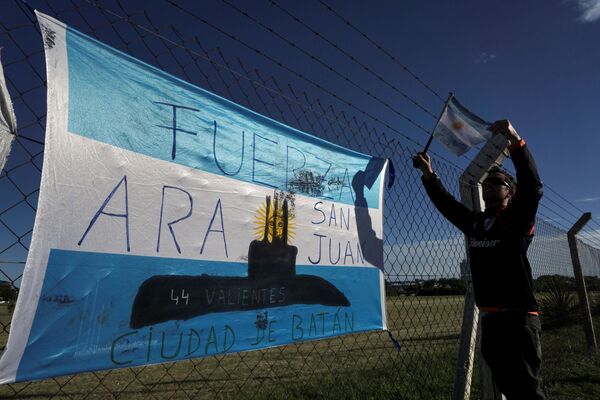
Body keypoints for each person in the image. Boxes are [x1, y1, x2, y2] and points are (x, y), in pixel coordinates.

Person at [413, 120, 545, 399]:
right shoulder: (476, 222)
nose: (488, 186)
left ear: (510, 191)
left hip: (519, 318)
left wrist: (514, 139)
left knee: (527, 392)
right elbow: (447, 206)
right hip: (491, 319)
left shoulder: (516, 220)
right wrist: (429, 175)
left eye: (497, 182)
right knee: (506, 386)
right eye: (486, 182)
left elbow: (532, 187)